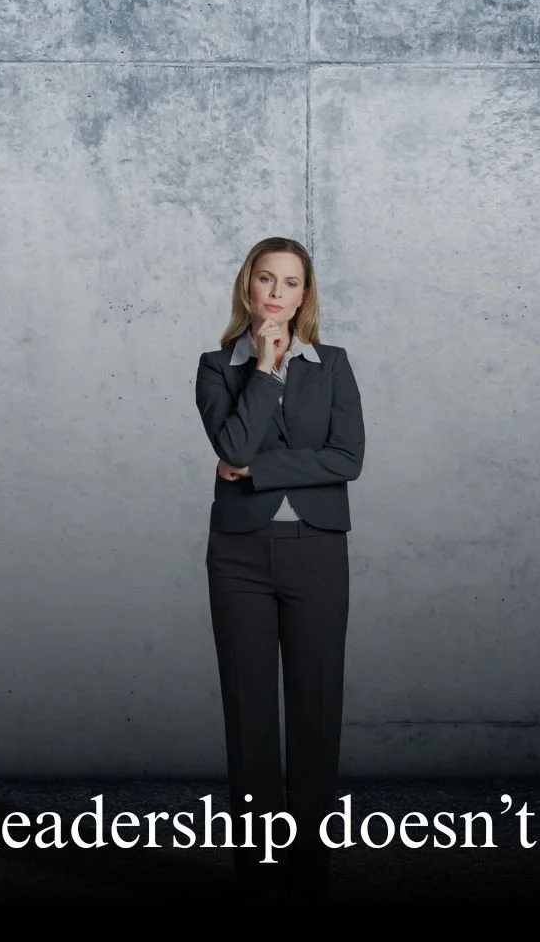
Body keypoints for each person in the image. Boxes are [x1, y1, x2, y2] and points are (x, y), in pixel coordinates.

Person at [193, 236, 366, 899]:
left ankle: (309, 881)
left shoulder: (334, 365)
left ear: (304, 295)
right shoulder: (217, 367)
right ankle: (260, 880)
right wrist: (264, 372)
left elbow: (346, 458)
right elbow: (229, 441)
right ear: (248, 287)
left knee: (316, 717)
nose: (276, 292)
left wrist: (257, 469)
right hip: (238, 555)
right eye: (265, 279)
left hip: (318, 552)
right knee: (251, 720)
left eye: (290, 283)